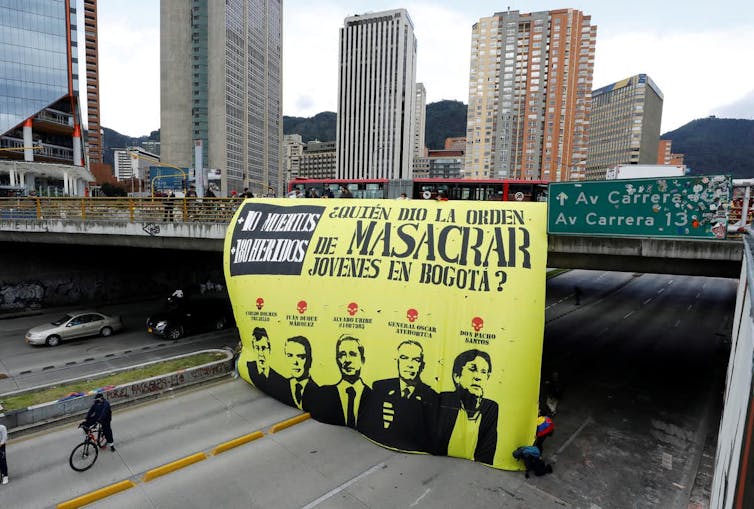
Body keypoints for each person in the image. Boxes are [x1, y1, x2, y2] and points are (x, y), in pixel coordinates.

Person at [360, 340, 438, 452]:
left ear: (422, 365)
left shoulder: (431, 396)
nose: (409, 365)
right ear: (396, 361)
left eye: (416, 360)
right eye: (404, 358)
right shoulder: (381, 387)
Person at [434, 349, 498, 464]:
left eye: (484, 372)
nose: (478, 377)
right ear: (457, 376)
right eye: (473, 369)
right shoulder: (444, 400)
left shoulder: (491, 407)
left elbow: (487, 452)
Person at [304, 335, 371, 428]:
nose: (347, 360)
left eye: (352, 354)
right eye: (342, 355)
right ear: (337, 360)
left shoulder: (373, 396)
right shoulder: (325, 393)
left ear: (362, 360)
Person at [245, 327, 287, 400]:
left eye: (264, 348)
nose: (261, 353)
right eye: (257, 348)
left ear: (269, 350)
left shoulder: (281, 379)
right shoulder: (248, 367)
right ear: (253, 349)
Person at [280, 336, 319, 410]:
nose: (295, 362)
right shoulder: (281, 384)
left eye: (301, 357)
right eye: (290, 356)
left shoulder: (318, 391)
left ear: (309, 360)